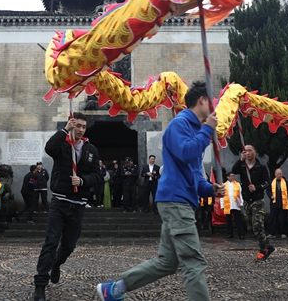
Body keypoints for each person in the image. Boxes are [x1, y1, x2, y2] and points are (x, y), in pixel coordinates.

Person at [96, 80, 224, 301]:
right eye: (211, 102)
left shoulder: (194, 129)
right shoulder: (180, 125)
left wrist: (210, 189)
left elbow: (193, 174)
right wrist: (207, 131)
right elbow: (186, 153)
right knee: (193, 261)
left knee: (167, 262)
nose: (214, 108)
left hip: (180, 200)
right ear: (201, 100)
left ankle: (113, 290)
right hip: (176, 202)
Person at [33, 112, 101, 301]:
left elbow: (97, 176)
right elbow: (49, 148)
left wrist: (82, 181)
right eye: (77, 125)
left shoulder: (91, 150)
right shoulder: (62, 145)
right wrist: (64, 130)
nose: (80, 130)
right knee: (51, 241)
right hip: (60, 202)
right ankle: (40, 284)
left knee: (69, 245)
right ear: (72, 125)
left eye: (83, 127)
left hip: (78, 204)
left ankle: (57, 263)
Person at [232, 145, 275, 262]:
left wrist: (257, 187)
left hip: (258, 200)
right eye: (245, 151)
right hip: (247, 200)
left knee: (258, 226)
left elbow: (267, 182)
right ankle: (269, 247)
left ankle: (263, 250)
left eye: (250, 150)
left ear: (255, 152)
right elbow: (234, 171)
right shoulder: (242, 167)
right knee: (251, 227)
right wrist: (240, 159)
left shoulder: (260, 167)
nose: (247, 153)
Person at [269, 168, 288, 238]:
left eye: (280, 173)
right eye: (278, 173)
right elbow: (268, 191)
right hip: (274, 203)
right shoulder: (271, 182)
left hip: (283, 203)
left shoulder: (286, 182)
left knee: (283, 218)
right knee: (273, 218)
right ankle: (272, 233)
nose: (279, 175)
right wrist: (271, 196)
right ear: (275, 174)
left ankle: (283, 232)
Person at [223, 173, 245, 239]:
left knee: (238, 220)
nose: (233, 177)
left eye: (233, 176)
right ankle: (229, 233)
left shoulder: (237, 184)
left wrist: (241, 202)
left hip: (236, 204)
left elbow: (240, 194)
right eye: (231, 176)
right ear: (228, 177)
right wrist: (222, 205)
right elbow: (222, 196)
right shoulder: (224, 185)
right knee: (228, 220)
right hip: (228, 204)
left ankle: (241, 234)